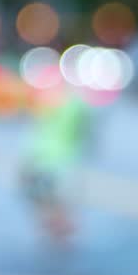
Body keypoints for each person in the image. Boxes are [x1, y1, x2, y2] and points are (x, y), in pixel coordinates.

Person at [21, 86, 93, 249]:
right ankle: (60, 233)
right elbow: (85, 131)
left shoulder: (43, 99)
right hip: (63, 161)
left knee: (45, 202)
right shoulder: (77, 103)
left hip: (41, 158)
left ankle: (57, 232)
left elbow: (34, 128)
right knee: (57, 203)